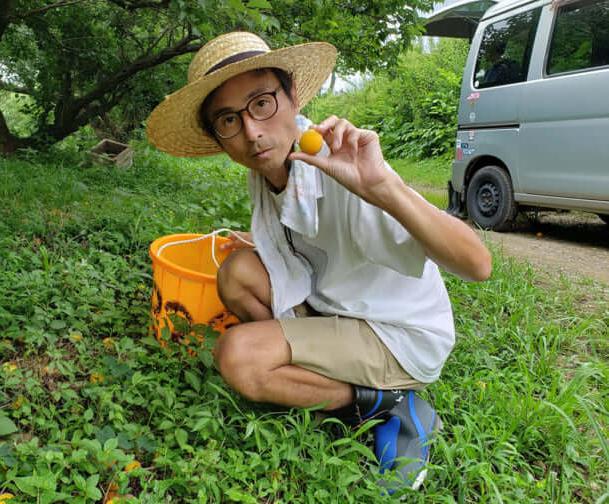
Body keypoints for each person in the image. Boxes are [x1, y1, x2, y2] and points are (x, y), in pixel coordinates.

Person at [146, 32, 492, 492]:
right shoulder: (269, 167)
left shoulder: (339, 165)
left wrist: (382, 188)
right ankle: (313, 371)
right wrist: (262, 240)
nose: (251, 131)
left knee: (238, 356)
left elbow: (477, 264)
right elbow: (305, 231)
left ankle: (383, 404)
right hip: (339, 308)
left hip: (395, 333)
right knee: (237, 271)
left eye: (261, 103)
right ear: (217, 137)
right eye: (228, 119)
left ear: (292, 95)